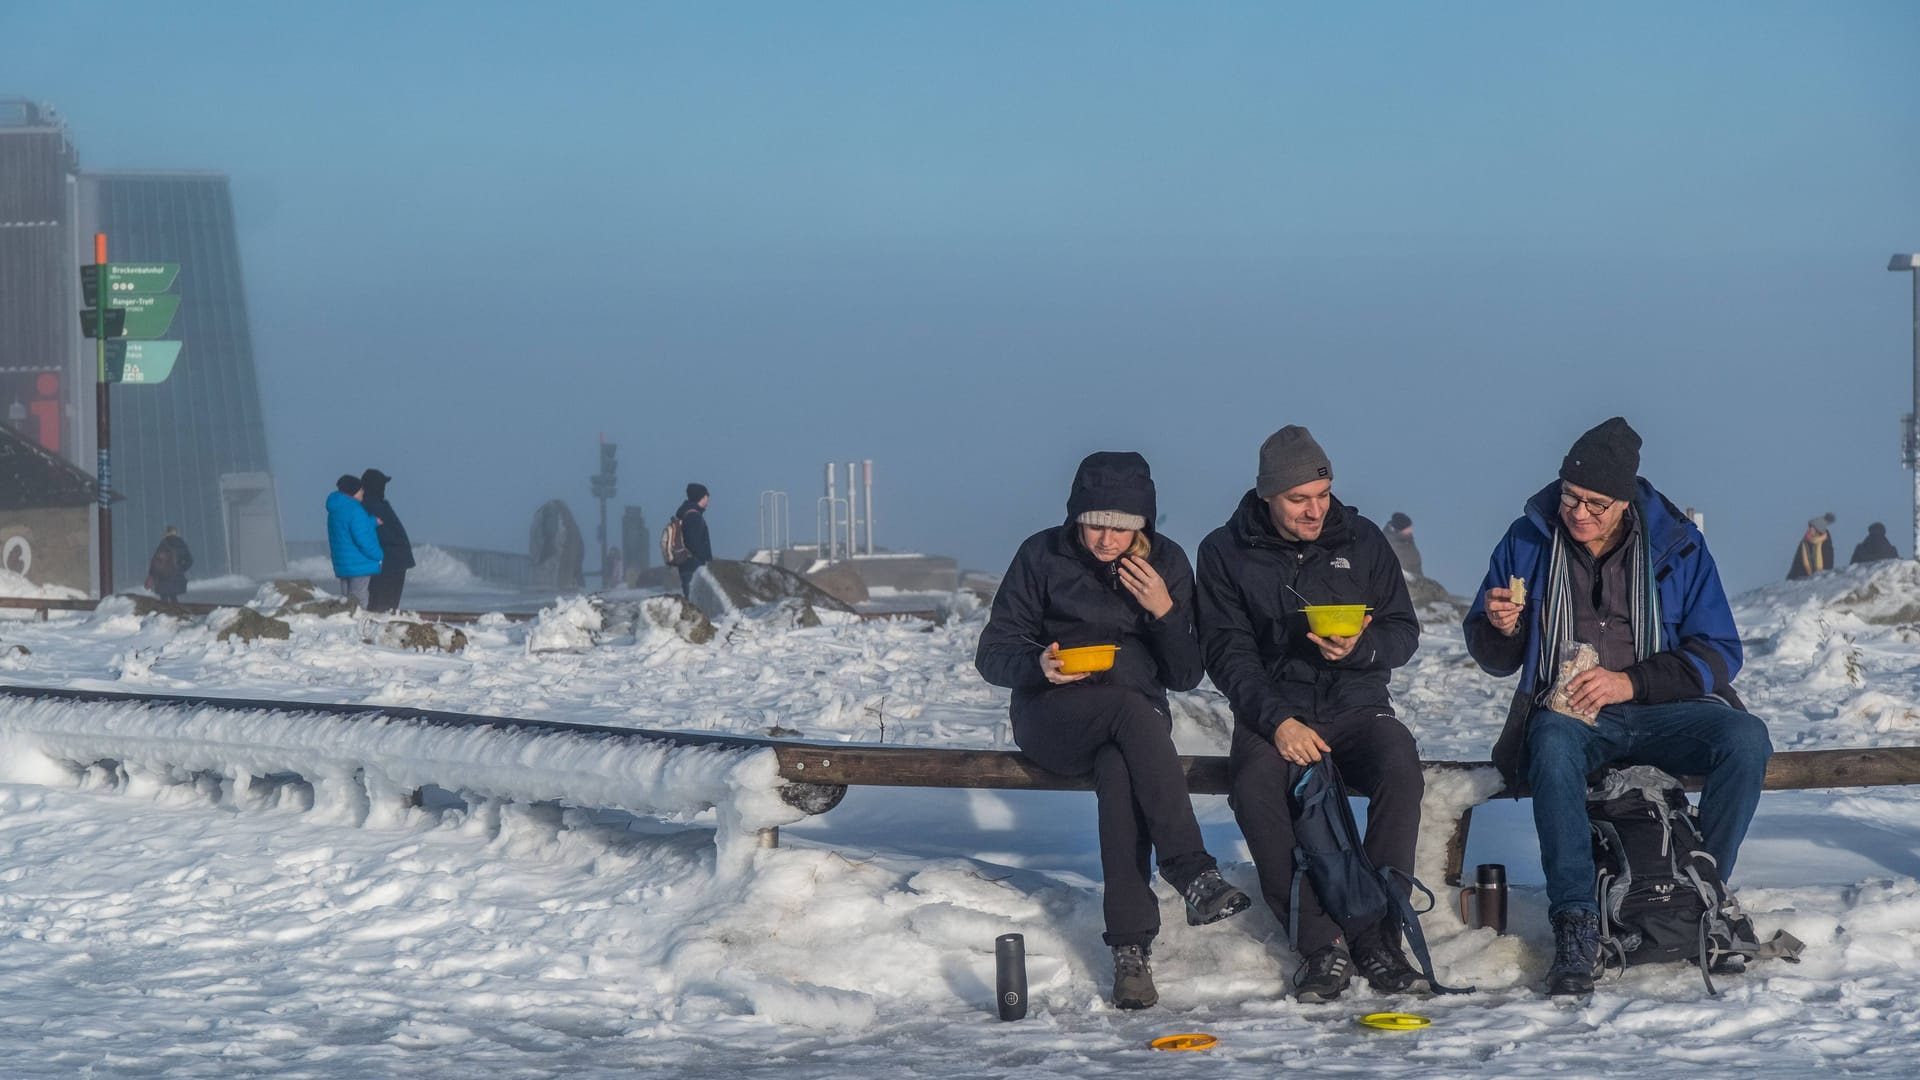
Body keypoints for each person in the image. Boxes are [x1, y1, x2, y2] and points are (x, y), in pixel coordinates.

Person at [1463, 417, 1771, 997]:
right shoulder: (1526, 539)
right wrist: (1501, 626)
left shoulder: (1679, 543)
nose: (1578, 513)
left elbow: (1721, 651)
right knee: (1551, 743)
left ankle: (1703, 891)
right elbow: (1493, 655)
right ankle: (1575, 919)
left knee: (1746, 738)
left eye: (1595, 504)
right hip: (1569, 711)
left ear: (1626, 502)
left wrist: (1630, 683)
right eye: (1570, 497)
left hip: (1663, 705)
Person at [976, 451, 1250, 1010]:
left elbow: (1184, 673)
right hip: (1053, 717)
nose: (1107, 539)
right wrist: (1039, 666)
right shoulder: (1042, 554)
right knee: (1129, 713)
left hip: (1134, 734)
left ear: (1143, 524)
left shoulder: (1167, 562)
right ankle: (1191, 870)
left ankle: (1130, 953)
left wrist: (1164, 610)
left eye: (1122, 528)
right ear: (1077, 515)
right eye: (1097, 523)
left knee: (1122, 764)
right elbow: (993, 652)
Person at [1195, 426, 1429, 1003]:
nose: (1314, 510)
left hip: (1358, 706)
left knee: (1400, 766)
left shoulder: (1364, 540)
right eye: (1299, 499)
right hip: (1274, 713)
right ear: (1268, 495)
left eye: (1322, 495)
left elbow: (1402, 631)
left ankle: (1379, 938)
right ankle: (1319, 944)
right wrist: (1277, 722)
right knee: (1254, 786)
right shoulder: (1224, 550)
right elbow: (1227, 653)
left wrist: (1362, 649)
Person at [359, 468, 415, 612]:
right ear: (375, 486)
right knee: (384, 607)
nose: (384, 489)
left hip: (391, 562)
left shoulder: (373, 505)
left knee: (383, 606)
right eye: (382, 485)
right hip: (388, 563)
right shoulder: (372, 506)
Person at [326, 474, 384, 607]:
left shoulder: (336, 509)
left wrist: (372, 521)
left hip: (344, 563)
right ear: (353, 491)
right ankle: (358, 626)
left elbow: (347, 528)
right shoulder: (355, 509)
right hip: (359, 565)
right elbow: (363, 539)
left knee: (347, 601)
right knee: (359, 601)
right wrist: (378, 555)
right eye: (360, 489)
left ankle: (347, 625)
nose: (363, 492)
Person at [675, 483, 713, 596]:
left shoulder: (687, 513)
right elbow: (694, 543)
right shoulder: (694, 517)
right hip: (693, 566)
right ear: (702, 497)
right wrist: (703, 561)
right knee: (695, 601)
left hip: (686, 564)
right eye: (707, 496)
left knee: (692, 599)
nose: (708, 499)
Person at [145, 526, 193, 604]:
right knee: (173, 598)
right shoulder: (181, 544)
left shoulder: (163, 544)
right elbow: (190, 560)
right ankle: (176, 614)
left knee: (163, 600)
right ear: (177, 533)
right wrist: (181, 569)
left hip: (162, 577)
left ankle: (164, 615)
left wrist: (151, 574)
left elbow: (155, 561)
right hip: (176, 576)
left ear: (166, 533)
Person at [1787, 513, 1836, 580]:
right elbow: (1796, 563)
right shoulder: (1804, 543)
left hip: (1822, 580)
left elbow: (1828, 564)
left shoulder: (1826, 543)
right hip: (1803, 580)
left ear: (1818, 530)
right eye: (1809, 527)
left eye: (1812, 527)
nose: (1809, 529)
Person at [1384, 511, 1423, 578]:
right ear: (1399, 529)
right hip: (1400, 579)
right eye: (1407, 528)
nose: (1410, 530)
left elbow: (1415, 562)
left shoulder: (1407, 539)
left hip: (1415, 577)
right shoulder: (1387, 541)